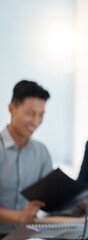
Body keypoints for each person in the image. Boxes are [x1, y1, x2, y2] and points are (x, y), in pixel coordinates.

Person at [0, 80, 53, 236]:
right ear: (11, 108)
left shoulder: (41, 152)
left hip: (30, 235)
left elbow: (51, 197)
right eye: (30, 113)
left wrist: (79, 202)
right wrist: (21, 216)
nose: (36, 121)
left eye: (41, 115)